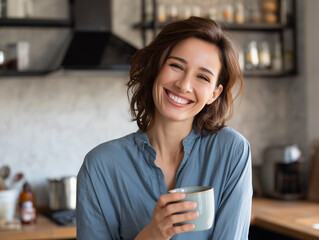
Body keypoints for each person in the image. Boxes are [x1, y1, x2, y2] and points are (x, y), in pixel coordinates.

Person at [76, 16, 252, 240]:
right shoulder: (99, 166)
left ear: (214, 94)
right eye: (176, 66)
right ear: (156, 67)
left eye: (202, 77)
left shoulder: (231, 151)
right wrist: (152, 235)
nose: (184, 85)